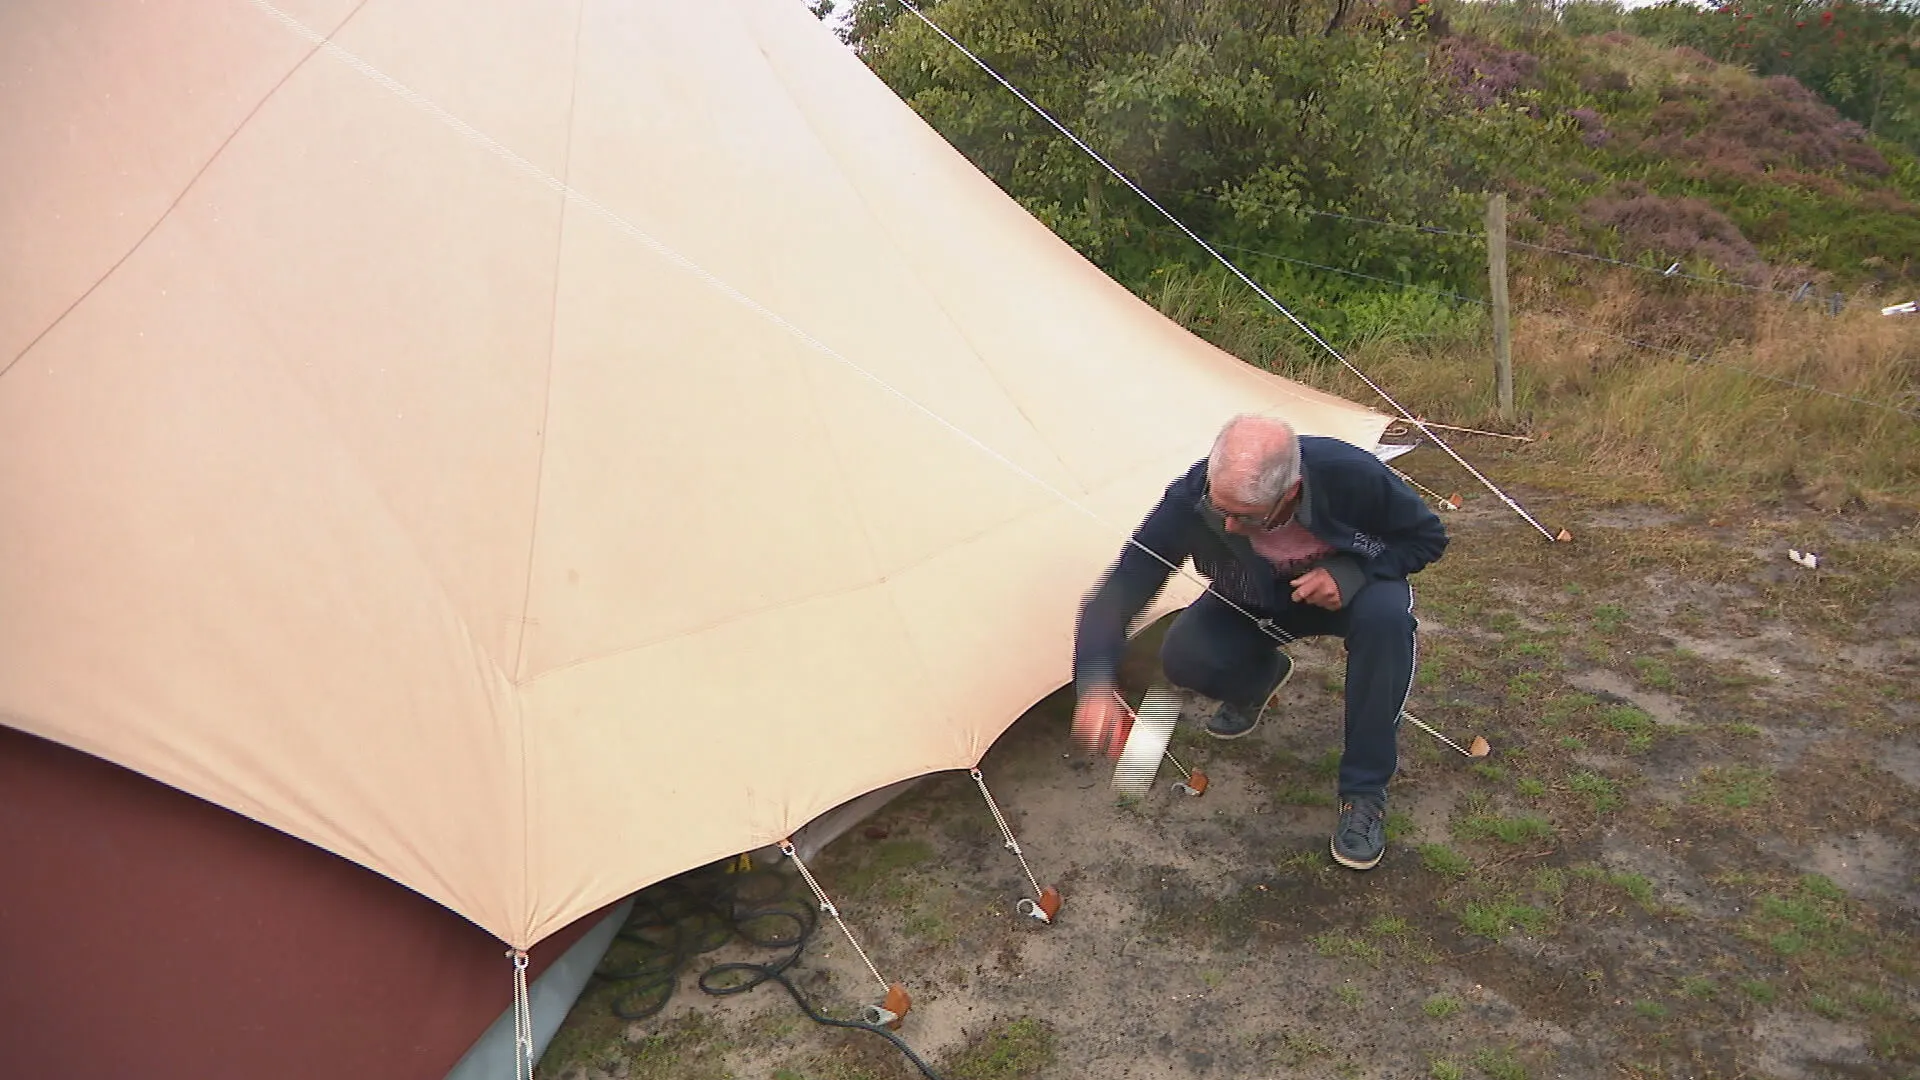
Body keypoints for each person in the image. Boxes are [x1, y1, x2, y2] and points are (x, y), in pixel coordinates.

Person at [1068, 413, 1449, 870]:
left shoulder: (1349, 472)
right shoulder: (1191, 497)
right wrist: (1093, 683)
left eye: (1244, 517)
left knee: (1387, 623)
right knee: (1185, 657)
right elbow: (1119, 591)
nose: (1227, 526)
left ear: (1288, 494)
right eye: (1220, 508)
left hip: (1354, 595)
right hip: (1252, 600)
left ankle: (1364, 793)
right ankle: (1260, 679)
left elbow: (1425, 538)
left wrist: (1351, 572)